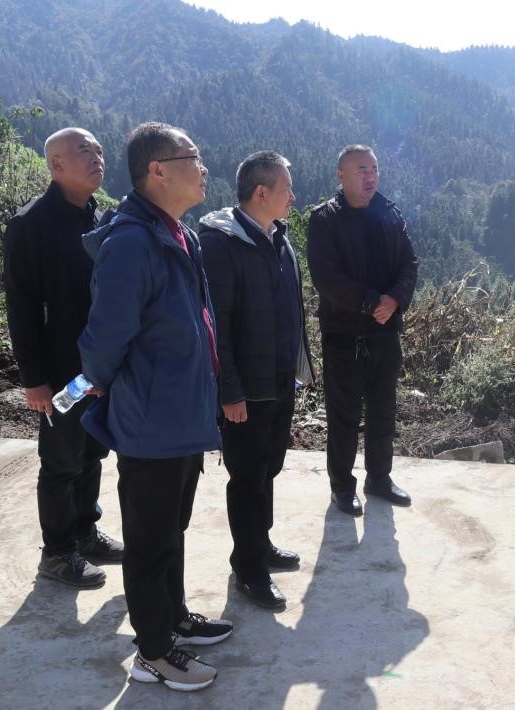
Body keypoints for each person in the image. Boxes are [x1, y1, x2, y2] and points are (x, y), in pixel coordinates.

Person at [78, 122, 230, 693]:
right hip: (151, 420)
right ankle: (153, 652)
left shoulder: (179, 234)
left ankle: (173, 617)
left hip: (182, 414)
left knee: (172, 528)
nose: (204, 167)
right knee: (149, 538)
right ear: (158, 171)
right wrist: (99, 384)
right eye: (193, 157)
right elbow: (104, 338)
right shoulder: (132, 243)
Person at [3, 127, 122, 589]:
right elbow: (22, 307)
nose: (96, 158)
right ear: (56, 165)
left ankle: (85, 532)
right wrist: (34, 379)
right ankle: (57, 552)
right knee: (61, 460)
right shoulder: (32, 224)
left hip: (97, 367)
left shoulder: (99, 217)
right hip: (60, 372)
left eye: (99, 150)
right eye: (84, 151)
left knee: (92, 451)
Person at [199, 151, 315, 610]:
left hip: (279, 381)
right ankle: (248, 568)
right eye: (287, 189)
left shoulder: (277, 238)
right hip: (245, 391)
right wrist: (230, 391)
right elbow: (217, 327)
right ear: (262, 193)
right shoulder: (222, 245)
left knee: (268, 469)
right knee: (247, 478)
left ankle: (260, 545)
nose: (293, 197)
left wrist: (299, 371)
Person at [307, 145, 418, 516]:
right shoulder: (326, 219)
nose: (370, 176)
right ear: (340, 176)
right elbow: (327, 278)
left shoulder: (389, 213)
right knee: (344, 416)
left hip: (385, 331)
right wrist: (373, 302)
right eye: (361, 170)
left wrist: (395, 299)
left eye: (374, 169)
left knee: (383, 410)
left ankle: (379, 478)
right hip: (343, 334)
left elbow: (409, 262)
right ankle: (342, 486)